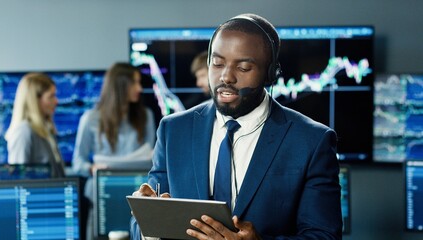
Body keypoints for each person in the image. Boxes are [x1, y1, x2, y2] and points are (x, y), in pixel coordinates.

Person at [131, 13, 342, 239]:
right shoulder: (173, 130)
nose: (226, 77)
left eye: (243, 68)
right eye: (217, 63)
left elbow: (324, 236)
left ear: (270, 74)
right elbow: (139, 228)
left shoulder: (312, 141)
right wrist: (146, 221)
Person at [72, 62, 156, 240]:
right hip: (102, 193)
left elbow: (152, 159)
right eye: (134, 83)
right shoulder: (91, 119)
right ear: (120, 86)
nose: (139, 88)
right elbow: (77, 163)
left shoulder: (145, 116)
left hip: (137, 192)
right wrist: (91, 168)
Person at [5, 73, 65, 178]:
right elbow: (19, 178)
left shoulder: (46, 130)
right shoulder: (23, 131)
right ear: (35, 100)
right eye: (51, 96)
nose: (56, 101)